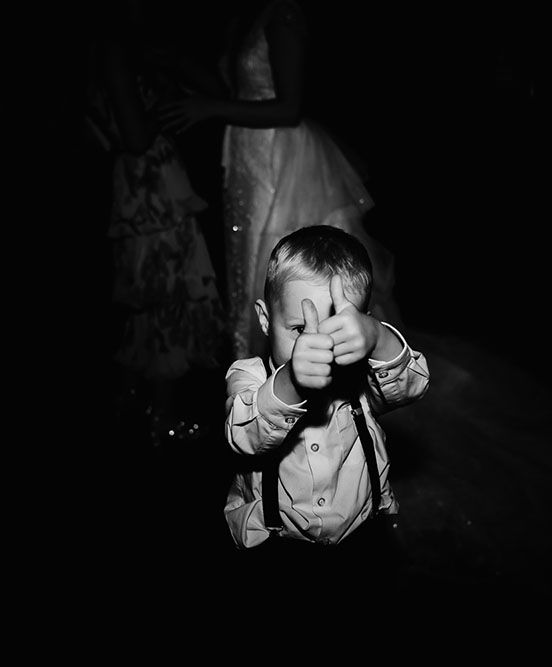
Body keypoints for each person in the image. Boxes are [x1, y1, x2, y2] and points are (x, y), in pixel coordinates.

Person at [159, 0, 401, 361]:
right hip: (247, 154)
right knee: (247, 258)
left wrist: (210, 108)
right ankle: (258, 375)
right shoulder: (244, 17)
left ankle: (341, 362)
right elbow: (235, 90)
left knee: (288, 261)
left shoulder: (283, 12)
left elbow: (289, 108)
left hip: (279, 156)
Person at [222, 225, 429, 598]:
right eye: (300, 328)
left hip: (363, 542)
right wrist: (291, 383)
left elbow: (413, 386)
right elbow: (244, 436)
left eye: (336, 331)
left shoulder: (361, 377)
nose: (317, 345)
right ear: (266, 320)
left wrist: (378, 338)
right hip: (279, 550)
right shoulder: (248, 376)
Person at [85, 2, 226, 446]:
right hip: (148, 191)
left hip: (155, 186)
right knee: (167, 297)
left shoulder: (138, 48)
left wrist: (172, 67)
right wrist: (165, 94)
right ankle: (160, 416)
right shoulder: (113, 49)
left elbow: (215, 91)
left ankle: (130, 400)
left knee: (154, 300)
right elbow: (135, 135)